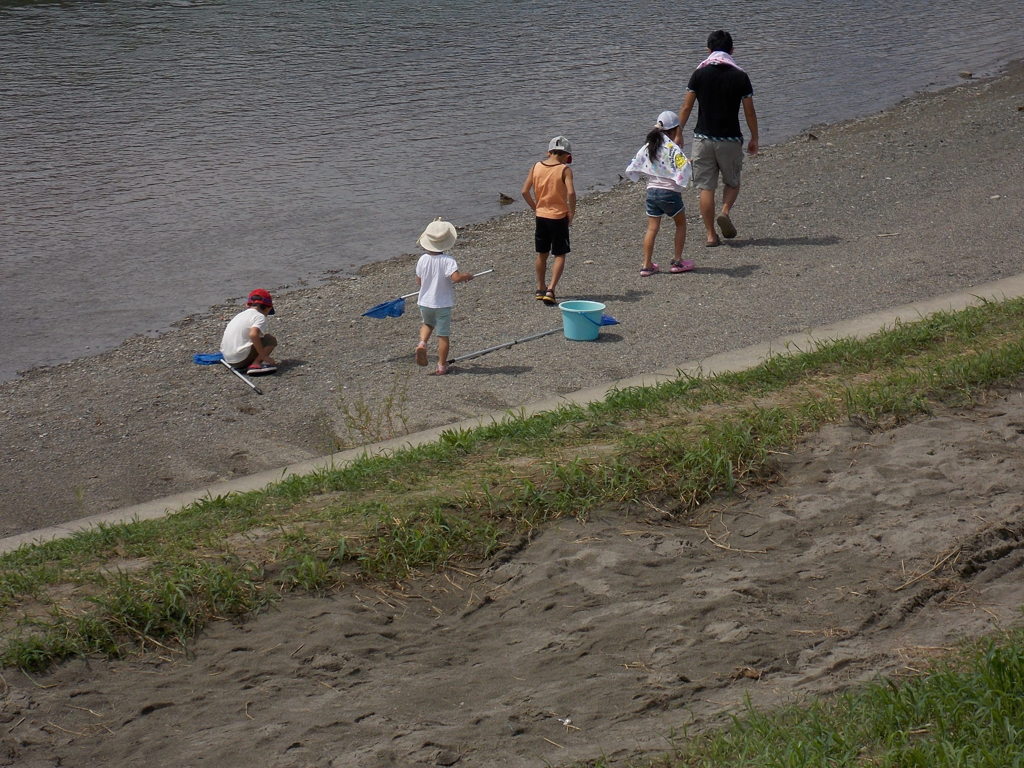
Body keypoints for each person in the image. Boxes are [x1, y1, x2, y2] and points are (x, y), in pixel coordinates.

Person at [678, 29, 759, 247]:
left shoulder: (699, 73)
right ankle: (724, 211)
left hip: (702, 139)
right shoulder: (740, 76)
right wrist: (754, 137)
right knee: (732, 182)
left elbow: (687, 106)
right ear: (732, 50)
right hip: (730, 139)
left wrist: (678, 132)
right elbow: (749, 112)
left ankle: (710, 235)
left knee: (706, 187)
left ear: (708, 50)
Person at [625, 110, 695, 276]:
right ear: (675, 130)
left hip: (652, 192)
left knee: (652, 228)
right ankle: (678, 262)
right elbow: (682, 166)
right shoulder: (672, 148)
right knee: (680, 224)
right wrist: (687, 165)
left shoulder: (650, 145)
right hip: (669, 193)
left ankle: (646, 264)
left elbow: (637, 161)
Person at [414, 218, 475, 376]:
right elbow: (455, 278)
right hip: (442, 304)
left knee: (427, 323)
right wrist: (466, 276)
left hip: (425, 302)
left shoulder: (422, 259)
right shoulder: (448, 261)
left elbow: (419, 281)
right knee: (443, 334)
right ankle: (441, 365)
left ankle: (422, 343)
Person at [521, 136, 576, 305]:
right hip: (558, 216)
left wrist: (536, 207)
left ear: (549, 152)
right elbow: (571, 193)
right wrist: (571, 213)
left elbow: (524, 191)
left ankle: (540, 288)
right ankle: (551, 289)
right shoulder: (564, 170)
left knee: (542, 253)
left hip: (541, 216)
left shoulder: (536, 166)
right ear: (566, 155)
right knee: (559, 254)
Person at [220, 289, 278, 375]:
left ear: (247, 305)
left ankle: (248, 361)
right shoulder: (260, 316)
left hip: (227, 358)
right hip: (240, 360)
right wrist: (264, 356)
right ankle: (256, 364)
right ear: (268, 307)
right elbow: (253, 335)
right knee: (270, 339)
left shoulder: (239, 315)